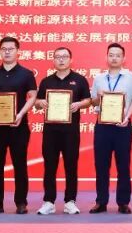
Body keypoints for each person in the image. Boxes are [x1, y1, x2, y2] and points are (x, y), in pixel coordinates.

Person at [0, 36, 38, 215]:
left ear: (17, 51)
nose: (7, 52)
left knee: (20, 165)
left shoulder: (26, 74)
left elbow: (33, 96)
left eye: (11, 49)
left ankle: (21, 202)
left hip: (18, 126)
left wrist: (20, 114)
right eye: (4, 49)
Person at [34, 47, 91, 215]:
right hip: (50, 131)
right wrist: (40, 103)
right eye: (58, 57)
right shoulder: (46, 81)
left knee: (71, 166)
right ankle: (49, 201)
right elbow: (37, 102)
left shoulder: (79, 80)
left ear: (70, 59)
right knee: (49, 166)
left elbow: (88, 100)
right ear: (53, 60)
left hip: (70, 132)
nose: (61, 60)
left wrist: (79, 104)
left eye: (64, 57)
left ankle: (70, 201)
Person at [90, 42, 132, 214]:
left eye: (118, 55)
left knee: (123, 165)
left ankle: (123, 202)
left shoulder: (131, 77)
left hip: (123, 126)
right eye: (111, 55)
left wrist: (127, 117)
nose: (114, 58)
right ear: (106, 57)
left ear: (123, 58)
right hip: (102, 126)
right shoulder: (99, 78)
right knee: (101, 165)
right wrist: (98, 97)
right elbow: (93, 102)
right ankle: (101, 201)